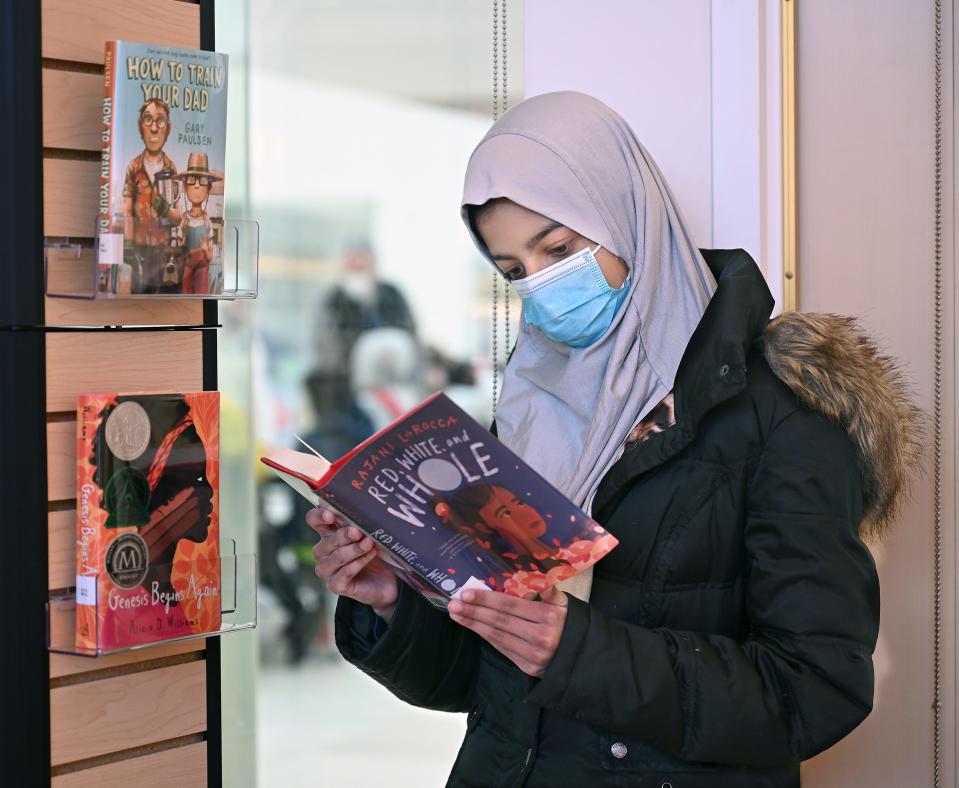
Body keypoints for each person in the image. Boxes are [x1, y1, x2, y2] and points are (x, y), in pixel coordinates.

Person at [307, 92, 921, 786]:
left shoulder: (780, 412)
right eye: (513, 269)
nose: (540, 287)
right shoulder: (529, 410)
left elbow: (814, 689)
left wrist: (576, 650)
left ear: (628, 216)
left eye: (559, 248)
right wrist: (390, 600)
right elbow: (480, 686)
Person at [122, 98, 182, 293]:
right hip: (139, 250)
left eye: (161, 120)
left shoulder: (171, 168)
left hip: (162, 253)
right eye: (148, 120)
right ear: (140, 127)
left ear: (168, 128)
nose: (154, 128)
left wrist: (162, 206)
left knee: (165, 297)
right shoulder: (133, 167)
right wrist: (127, 245)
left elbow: (177, 217)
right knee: (139, 294)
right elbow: (128, 209)